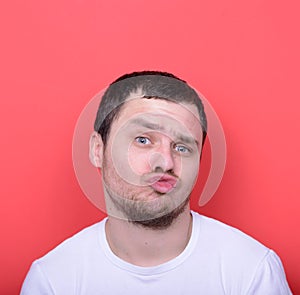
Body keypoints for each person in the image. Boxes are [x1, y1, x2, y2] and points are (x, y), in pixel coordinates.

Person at [20, 71, 292, 294]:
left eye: (183, 147)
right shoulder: (53, 281)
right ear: (97, 150)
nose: (166, 162)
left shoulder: (252, 272)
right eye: (143, 140)